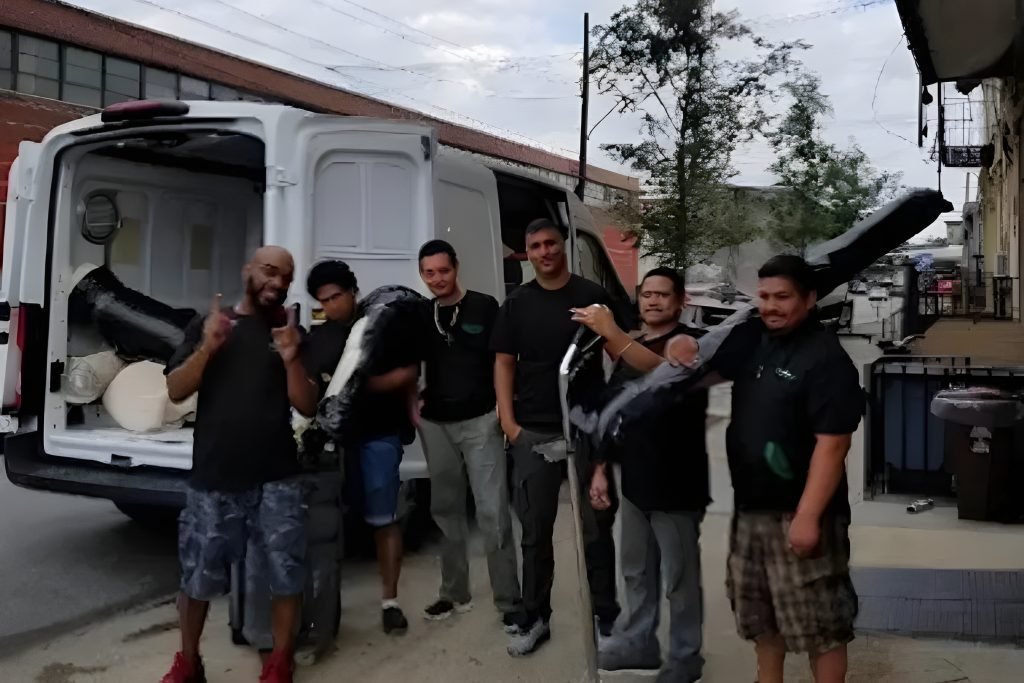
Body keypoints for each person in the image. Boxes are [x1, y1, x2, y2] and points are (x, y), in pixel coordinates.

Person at [665, 255, 863, 683]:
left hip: (800, 513)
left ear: (809, 299)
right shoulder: (756, 338)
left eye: (783, 297)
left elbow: (833, 445)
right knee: (761, 613)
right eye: (765, 296)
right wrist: (683, 347)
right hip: (751, 508)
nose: (771, 306)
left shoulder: (826, 360)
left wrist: (809, 516)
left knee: (822, 624)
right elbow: (703, 363)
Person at [161, 246, 319, 683]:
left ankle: (279, 661)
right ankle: (189, 663)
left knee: (286, 572)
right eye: (270, 271)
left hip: (278, 477)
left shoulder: (290, 332)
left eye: (286, 277)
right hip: (215, 476)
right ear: (248, 269)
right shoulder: (211, 324)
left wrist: (291, 359)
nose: (277, 282)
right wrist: (208, 348)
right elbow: (175, 390)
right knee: (197, 578)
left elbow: (307, 405)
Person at [491, 217, 620, 656]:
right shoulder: (517, 304)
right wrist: (509, 424)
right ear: (526, 254)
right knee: (534, 532)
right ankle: (535, 618)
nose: (544, 251)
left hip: (585, 429)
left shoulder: (592, 297)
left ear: (563, 245)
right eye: (535, 246)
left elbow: (615, 357)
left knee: (596, 529)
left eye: (551, 243)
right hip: (534, 431)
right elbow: (504, 363)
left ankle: (605, 617)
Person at [586, 268, 709, 683]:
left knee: (679, 579)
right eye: (646, 294)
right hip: (635, 480)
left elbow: (660, 371)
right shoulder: (631, 345)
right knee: (636, 572)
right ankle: (639, 642)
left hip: (677, 484)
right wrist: (601, 469)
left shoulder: (688, 344)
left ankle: (685, 656)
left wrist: (612, 334)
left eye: (662, 295)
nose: (652, 301)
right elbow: (612, 410)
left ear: (679, 302)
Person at [304, 259, 419, 636]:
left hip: (379, 435)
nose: (333, 305)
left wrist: (360, 384)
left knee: (384, 521)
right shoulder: (318, 338)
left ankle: (390, 602)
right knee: (329, 527)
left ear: (353, 290)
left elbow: (408, 373)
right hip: (334, 444)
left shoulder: (381, 324)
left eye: (337, 296)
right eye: (324, 300)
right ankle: (326, 609)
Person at [414, 240, 522, 629]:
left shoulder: (484, 306)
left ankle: (509, 599)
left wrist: (502, 410)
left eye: (443, 271)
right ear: (421, 274)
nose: (437, 279)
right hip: (436, 424)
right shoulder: (422, 313)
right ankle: (453, 593)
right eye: (429, 273)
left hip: (480, 421)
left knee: (492, 510)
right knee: (445, 511)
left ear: (456, 267)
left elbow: (503, 360)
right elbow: (412, 362)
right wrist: (413, 403)